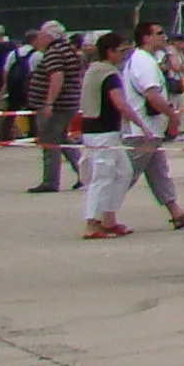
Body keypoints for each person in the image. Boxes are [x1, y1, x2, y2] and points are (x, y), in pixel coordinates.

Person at [116, 18, 184, 231]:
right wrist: (172, 116)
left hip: (151, 130)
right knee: (125, 175)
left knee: (159, 173)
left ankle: (177, 212)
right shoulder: (143, 62)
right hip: (143, 131)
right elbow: (152, 95)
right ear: (146, 37)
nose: (164, 37)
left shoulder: (147, 60)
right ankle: (101, 216)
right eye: (159, 33)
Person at [75, 30, 137, 238]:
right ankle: (92, 223)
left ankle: (109, 218)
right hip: (103, 132)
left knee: (123, 172)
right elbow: (120, 104)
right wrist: (140, 124)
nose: (123, 55)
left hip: (98, 130)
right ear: (109, 52)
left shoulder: (93, 69)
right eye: (121, 51)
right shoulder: (109, 74)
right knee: (102, 177)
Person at [27, 20, 83, 194]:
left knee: (50, 142)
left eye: (41, 35)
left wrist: (49, 102)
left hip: (57, 106)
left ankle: (50, 181)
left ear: (48, 36)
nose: (39, 39)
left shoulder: (54, 53)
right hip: (68, 103)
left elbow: (57, 76)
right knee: (63, 140)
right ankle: (85, 173)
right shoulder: (69, 51)